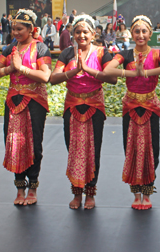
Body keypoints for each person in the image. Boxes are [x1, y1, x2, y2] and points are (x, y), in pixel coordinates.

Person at [104, 15, 160, 210]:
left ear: (150, 34)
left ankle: (148, 190)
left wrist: (146, 72)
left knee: (153, 150)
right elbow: (108, 69)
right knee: (131, 149)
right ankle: (136, 193)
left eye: (144, 31)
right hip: (131, 107)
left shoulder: (157, 53)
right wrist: (131, 73)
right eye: (137, 31)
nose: (141, 35)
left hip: (150, 106)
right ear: (131, 34)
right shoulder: (126, 54)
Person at [50, 15, 117, 210]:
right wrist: (73, 72)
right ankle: (76, 193)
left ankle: (90, 192)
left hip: (94, 107)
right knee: (73, 150)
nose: (81, 35)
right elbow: (53, 79)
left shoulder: (102, 52)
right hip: (72, 106)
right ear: (73, 35)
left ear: (93, 34)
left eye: (85, 32)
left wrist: (87, 69)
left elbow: (112, 79)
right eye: (78, 32)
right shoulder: (67, 53)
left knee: (93, 149)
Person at [0, 9, 52, 206]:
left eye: (20, 29)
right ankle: (19, 188)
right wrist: (9, 69)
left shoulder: (40, 48)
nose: (16, 32)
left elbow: (45, 76)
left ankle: (32, 187)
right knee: (14, 143)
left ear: (31, 29)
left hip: (34, 100)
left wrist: (22, 68)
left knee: (34, 144)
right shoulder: (9, 49)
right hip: (13, 101)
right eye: (13, 29)